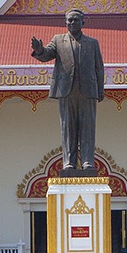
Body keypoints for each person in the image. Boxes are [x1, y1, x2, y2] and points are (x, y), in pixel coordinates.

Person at [30, 9, 105, 172]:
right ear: (65, 23)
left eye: (75, 20)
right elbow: (47, 54)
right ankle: (69, 162)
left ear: (83, 22)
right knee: (68, 127)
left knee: (88, 127)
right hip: (66, 90)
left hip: (87, 90)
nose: (72, 23)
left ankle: (87, 162)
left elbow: (99, 67)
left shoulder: (92, 43)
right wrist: (39, 50)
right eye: (69, 20)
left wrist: (100, 90)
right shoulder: (58, 40)